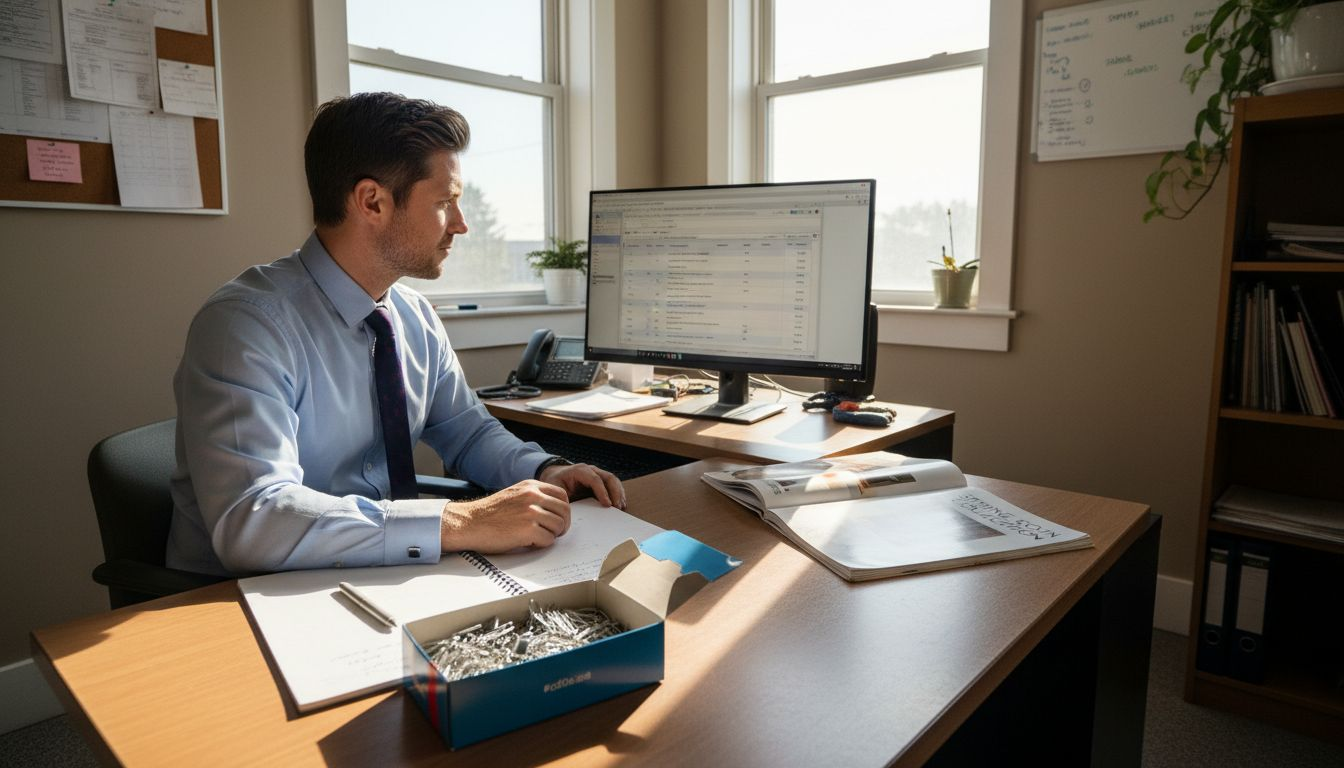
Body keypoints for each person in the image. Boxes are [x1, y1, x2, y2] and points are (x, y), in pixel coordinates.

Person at [166, 92, 624, 577]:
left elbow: (467, 433)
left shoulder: (413, 316)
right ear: (372, 202)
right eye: (446, 202)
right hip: (239, 600)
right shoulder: (247, 325)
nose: (462, 225)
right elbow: (254, 521)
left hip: (374, 574)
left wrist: (544, 470)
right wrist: (457, 520)